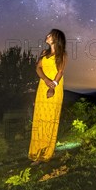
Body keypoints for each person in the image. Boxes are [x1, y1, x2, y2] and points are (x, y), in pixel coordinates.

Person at [28, 29, 67, 165]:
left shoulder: (62, 54)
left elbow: (60, 71)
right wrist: (45, 80)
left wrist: (52, 86)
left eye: (50, 35)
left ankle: (46, 153)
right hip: (43, 85)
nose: (47, 36)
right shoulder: (45, 53)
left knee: (49, 119)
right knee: (39, 118)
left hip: (55, 87)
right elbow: (38, 68)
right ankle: (37, 152)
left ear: (56, 38)